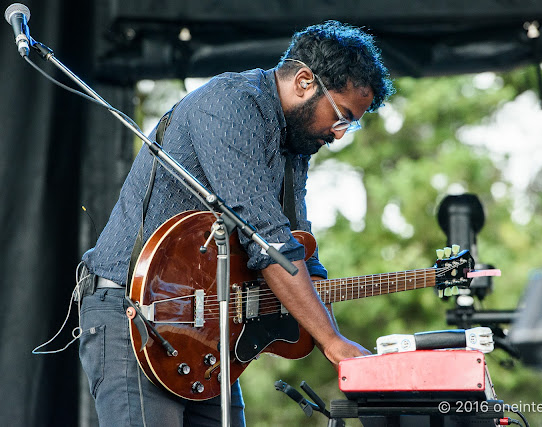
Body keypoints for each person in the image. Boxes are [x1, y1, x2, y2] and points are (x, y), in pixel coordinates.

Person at [76, 20, 394, 426]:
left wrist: (337, 338)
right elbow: (267, 240)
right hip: (134, 317)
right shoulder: (230, 103)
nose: (339, 134)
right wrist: (333, 342)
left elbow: (297, 246)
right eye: (341, 117)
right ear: (303, 81)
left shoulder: (293, 142)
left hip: (205, 333)